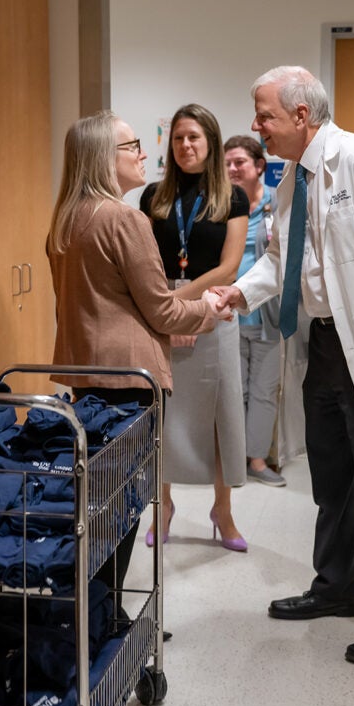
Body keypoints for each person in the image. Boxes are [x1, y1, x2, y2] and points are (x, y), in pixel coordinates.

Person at [212, 66, 354, 665]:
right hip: (320, 343)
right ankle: (337, 587)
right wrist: (241, 292)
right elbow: (280, 259)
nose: (256, 125)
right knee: (332, 478)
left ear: (300, 115)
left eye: (263, 114)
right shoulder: (290, 176)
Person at [47, 110, 228, 610]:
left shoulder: (67, 219)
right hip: (130, 384)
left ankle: (97, 615)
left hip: (86, 381)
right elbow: (163, 309)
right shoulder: (125, 219)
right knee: (122, 509)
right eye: (133, 147)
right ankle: (108, 620)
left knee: (98, 506)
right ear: (106, 158)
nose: (145, 154)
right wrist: (209, 310)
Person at [140, 104, 249, 552]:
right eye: (179, 138)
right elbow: (144, 261)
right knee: (161, 415)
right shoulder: (152, 197)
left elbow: (230, 266)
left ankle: (222, 511)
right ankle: (162, 506)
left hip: (213, 307)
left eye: (195, 138)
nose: (186, 145)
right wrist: (165, 312)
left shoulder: (233, 198)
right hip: (161, 310)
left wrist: (177, 304)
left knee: (221, 415)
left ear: (212, 143)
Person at [225, 135, 287, 488]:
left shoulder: (278, 202)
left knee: (264, 390)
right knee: (235, 391)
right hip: (229, 314)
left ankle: (257, 459)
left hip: (267, 314)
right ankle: (233, 458)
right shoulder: (223, 206)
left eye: (240, 163)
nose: (232, 169)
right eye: (228, 164)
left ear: (259, 166)